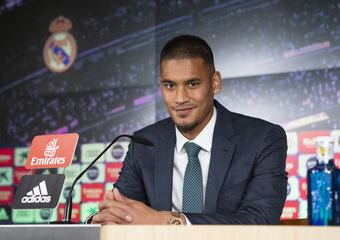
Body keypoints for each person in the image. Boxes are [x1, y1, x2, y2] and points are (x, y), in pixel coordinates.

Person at [92, 35, 287, 225]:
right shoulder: (144, 143)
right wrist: (106, 219)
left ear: (215, 83)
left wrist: (168, 221)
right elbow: (121, 213)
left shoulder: (263, 139)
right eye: (170, 85)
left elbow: (260, 220)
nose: (180, 98)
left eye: (192, 84)